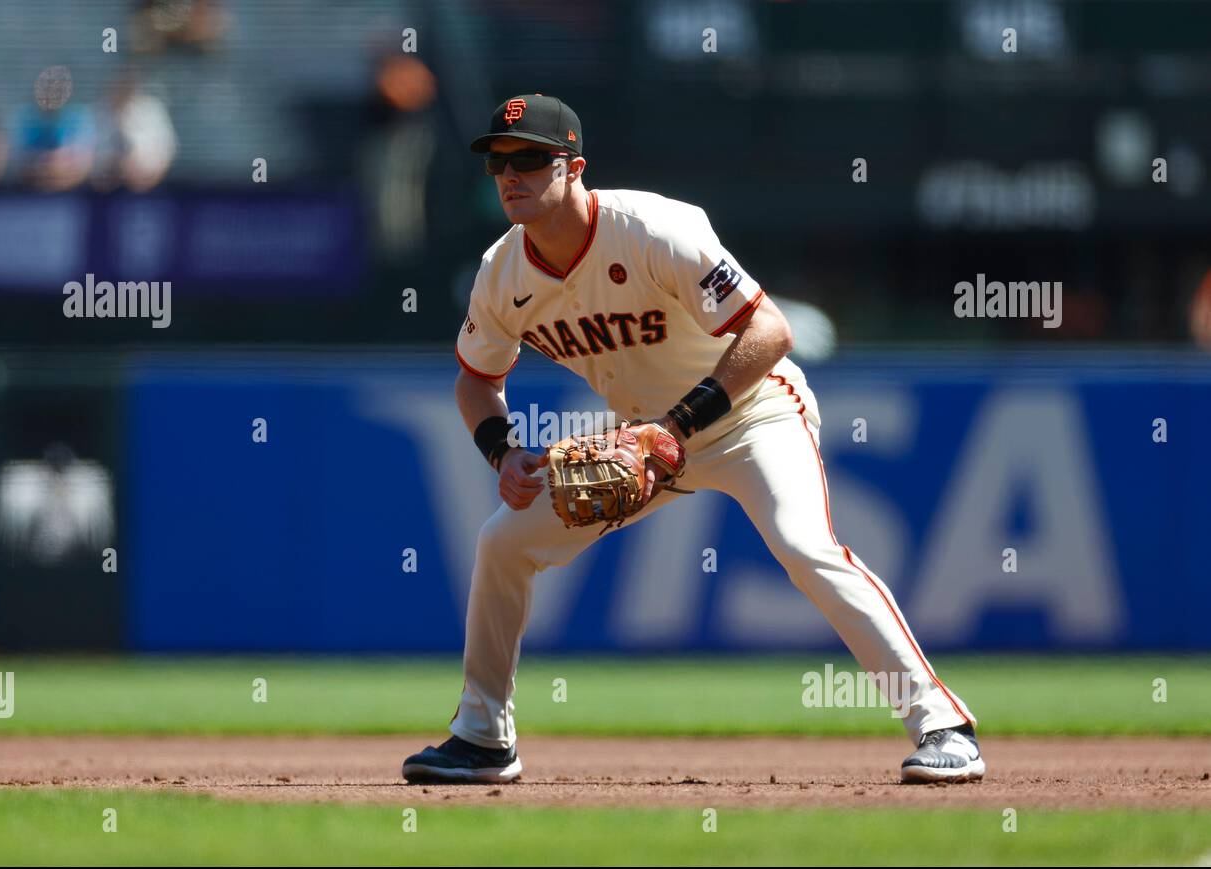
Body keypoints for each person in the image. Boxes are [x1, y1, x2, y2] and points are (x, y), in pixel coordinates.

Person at [402, 95, 983, 786]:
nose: (511, 174)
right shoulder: (503, 272)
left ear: (575, 167)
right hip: (641, 445)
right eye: (500, 161)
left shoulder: (654, 228)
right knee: (504, 542)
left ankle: (944, 725)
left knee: (804, 546)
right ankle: (483, 738)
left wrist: (673, 429)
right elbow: (476, 382)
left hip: (750, 413)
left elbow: (769, 332)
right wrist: (503, 452)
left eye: (531, 158)